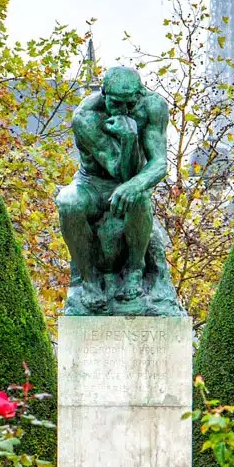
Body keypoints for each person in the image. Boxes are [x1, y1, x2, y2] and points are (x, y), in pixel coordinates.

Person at [57, 66, 169, 309]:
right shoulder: (86, 116)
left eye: (130, 104)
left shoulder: (153, 107)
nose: (125, 111)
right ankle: (89, 280)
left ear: (139, 95)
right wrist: (129, 138)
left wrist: (136, 184)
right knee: (67, 201)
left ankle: (135, 269)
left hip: (131, 183)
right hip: (93, 186)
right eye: (117, 104)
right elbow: (116, 169)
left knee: (138, 197)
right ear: (104, 94)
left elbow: (159, 162)